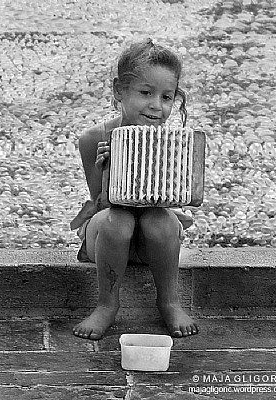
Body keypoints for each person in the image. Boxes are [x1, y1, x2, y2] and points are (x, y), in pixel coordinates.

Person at [70, 38, 198, 340]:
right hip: (110, 232)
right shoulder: (93, 139)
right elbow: (100, 202)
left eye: (167, 97)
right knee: (120, 220)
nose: (157, 106)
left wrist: (182, 181)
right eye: (145, 93)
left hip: (154, 236)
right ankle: (107, 304)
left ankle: (169, 300)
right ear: (119, 91)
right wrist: (108, 170)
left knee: (160, 221)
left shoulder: (172, 142)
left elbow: (180, 197)